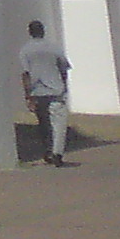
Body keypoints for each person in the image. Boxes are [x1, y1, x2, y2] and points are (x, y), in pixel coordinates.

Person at [20, 20, 72, 166]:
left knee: (44, 124)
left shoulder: (25, 50)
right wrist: (64, 86)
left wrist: (28, 96)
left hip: (38, 92)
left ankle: (48, 150)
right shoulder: (54, 48)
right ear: (43, 31)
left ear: (30, 32)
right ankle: (57, 152)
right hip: (56, 90)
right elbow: (64, 68)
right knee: (59, 124)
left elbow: (26, 74)